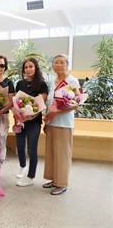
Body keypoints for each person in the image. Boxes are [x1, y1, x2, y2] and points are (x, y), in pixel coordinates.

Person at [43, 54, 79, 195]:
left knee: (62, 154)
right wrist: (47, 118)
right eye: (56, 62)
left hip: (64, 124)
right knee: (51, 153)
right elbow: (49, 103)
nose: (58, 65)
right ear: (52, 65)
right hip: (51, 123)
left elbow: (75, 104)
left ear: (67, 65)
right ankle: (53, 179)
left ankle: (62, 183)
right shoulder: (52, 81)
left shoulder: (72, 80)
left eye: (62, 62)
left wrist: (55, 114)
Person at [15, 57, 48, 187]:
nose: (28, 69)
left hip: (33, 122)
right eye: (26, 67)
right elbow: (16, 102)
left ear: (36, 68)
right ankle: (22, 166)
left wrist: (30, 116)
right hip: (20, 121)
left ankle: (30, 176)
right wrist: (18, 115)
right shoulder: (20, 83)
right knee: (20, 146)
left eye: (31, 67)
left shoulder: (41, 84)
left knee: (32, 149)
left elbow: (41, 104)